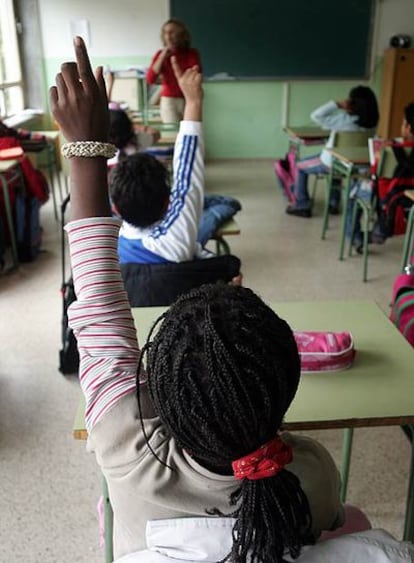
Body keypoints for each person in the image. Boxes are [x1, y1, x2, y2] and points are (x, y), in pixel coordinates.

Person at [52, 38, 414, 563]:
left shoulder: (132, 457)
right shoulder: (312, 472)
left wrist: (86, 149)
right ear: (288, 389)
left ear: (161, 399)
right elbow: (104, 327)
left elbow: (100, 313)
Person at [108, 106, 241, 258]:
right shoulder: (179, 246)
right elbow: (159, 139)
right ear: (168, 203)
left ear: (115, 208)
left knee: (210, 208)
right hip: (152, 193)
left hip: (130, 206)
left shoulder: (110, 254)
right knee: (222, 203)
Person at [286, 86, 379, 218]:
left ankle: (302, 205)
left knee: (299, 166)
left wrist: (337, 104)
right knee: (337, 168)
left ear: (352, 103)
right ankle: (333, 203)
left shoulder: (343, 119)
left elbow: (315, 115)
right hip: (354, 164)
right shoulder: (372, 124)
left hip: (331, 162)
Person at [347, 101, 414, 253]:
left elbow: (375, 173)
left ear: (409, 127)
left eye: (404, 122)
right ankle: (376, 233)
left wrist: (382, 152)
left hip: (389, 201)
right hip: (409, 201)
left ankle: (355, 236)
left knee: (352, 194)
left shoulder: (388, 150)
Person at [146, 18, 201, 123]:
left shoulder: (191, 53)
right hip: (169, 100)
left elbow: (195, 74)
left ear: (181, 35)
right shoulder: (160, 55)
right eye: (165, 32)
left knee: (189, 130)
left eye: (172, 32)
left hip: (188, 98)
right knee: (173, 134)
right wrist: (162, 57)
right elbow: (150, 79)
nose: (168, 36)